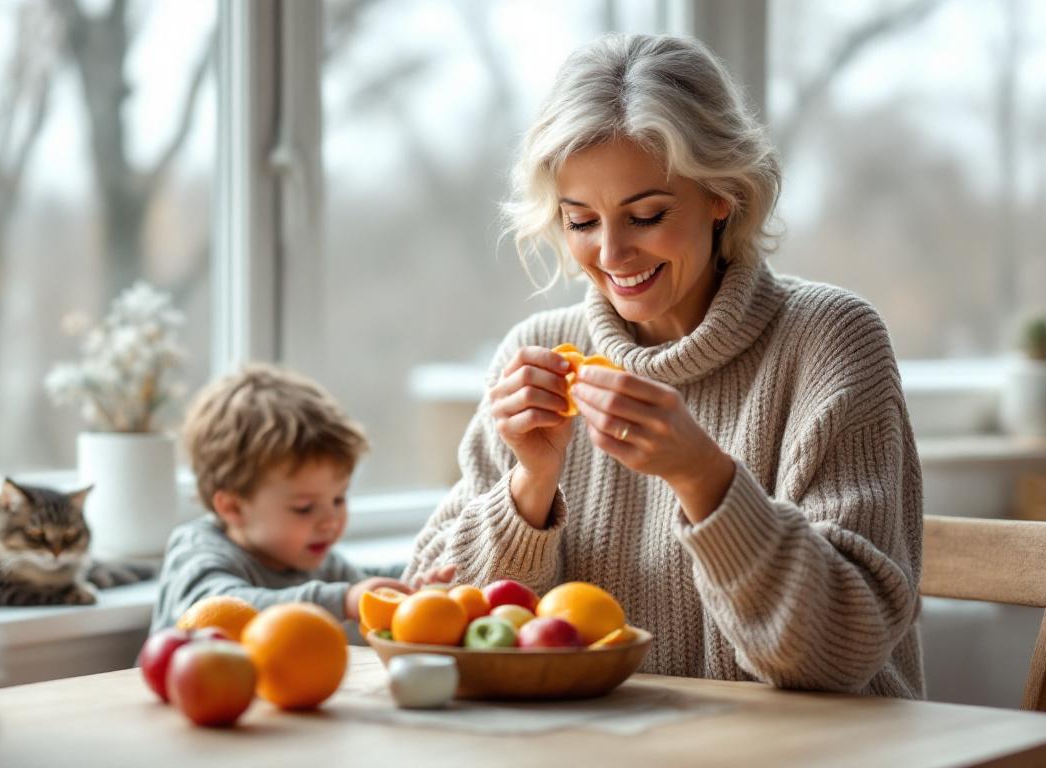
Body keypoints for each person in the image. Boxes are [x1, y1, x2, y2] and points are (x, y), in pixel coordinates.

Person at [404, 34, 923, 697]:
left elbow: (841, 651)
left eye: (646, 215)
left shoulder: (829, 341)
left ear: (722, 196)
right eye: (581, 222)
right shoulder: (533, 352)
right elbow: (430, 617)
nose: (613, 253)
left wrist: (703, 477)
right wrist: (528, 489)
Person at [152, 364, 454, 635]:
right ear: (233, 507)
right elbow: (217, 612)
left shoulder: (315, 561)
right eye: (304, 507)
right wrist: (343, 600)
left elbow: (368, 583)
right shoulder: (197, 552)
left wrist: (421, 577)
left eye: (339, 499)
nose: (331, 521)